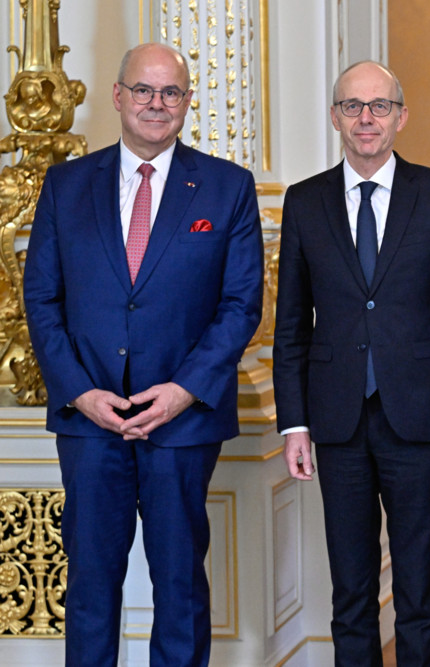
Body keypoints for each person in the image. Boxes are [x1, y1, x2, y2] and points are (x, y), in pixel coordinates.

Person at [23, 43, 264, 667]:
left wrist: (183, 390)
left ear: (187, 102)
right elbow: (41, 300)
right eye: (144, 91)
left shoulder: (227, 187)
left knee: (180, 588)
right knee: (91, 591)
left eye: (171, 93)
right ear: (118, 96)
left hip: (182, 423)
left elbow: (241, 305)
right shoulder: (67, 184)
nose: (157, 105)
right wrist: (79, 390)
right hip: (89, 421)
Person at [273, 60, 430, 666]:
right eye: (353, 106)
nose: (366, 119)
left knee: (419, 587)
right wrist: (294, 423)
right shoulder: (305, 201)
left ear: (401, 116)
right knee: (351, 590)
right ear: (336, 116)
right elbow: (290, 325)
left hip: (419, 417)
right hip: (335, 422)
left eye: (379, 106)